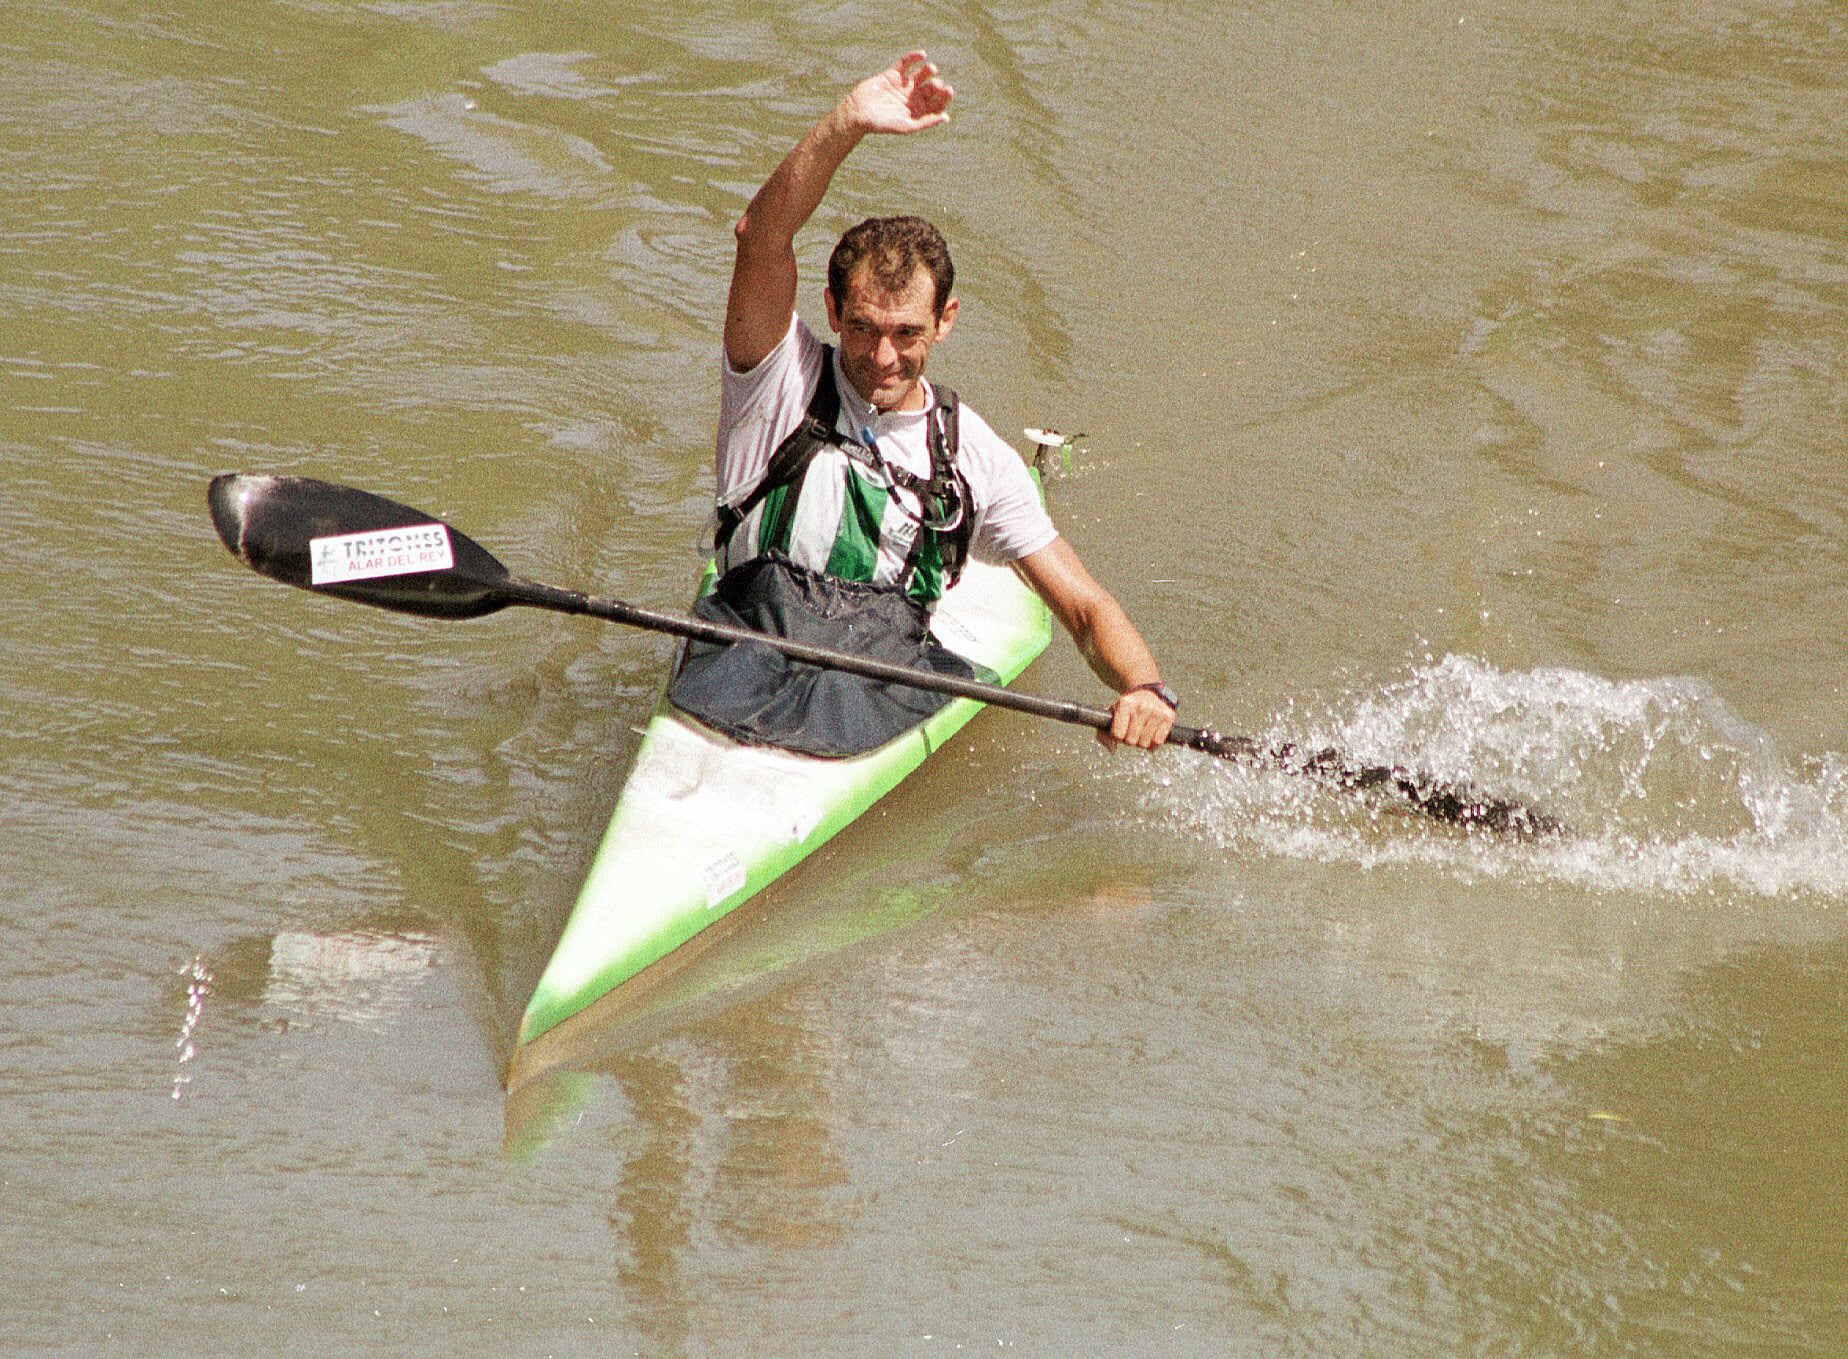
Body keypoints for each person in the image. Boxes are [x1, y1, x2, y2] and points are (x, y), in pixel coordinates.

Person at [669, 50, 1176, 756]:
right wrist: (849, 121)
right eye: (863, 328)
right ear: (832, 309)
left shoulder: (973, 456)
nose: (881, 357)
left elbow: (1087, 609)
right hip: (739, 660)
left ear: (946, 321)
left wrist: (1144, 688)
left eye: (907, 333)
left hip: (876, 695)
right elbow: (762, 237)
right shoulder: (774, 382)